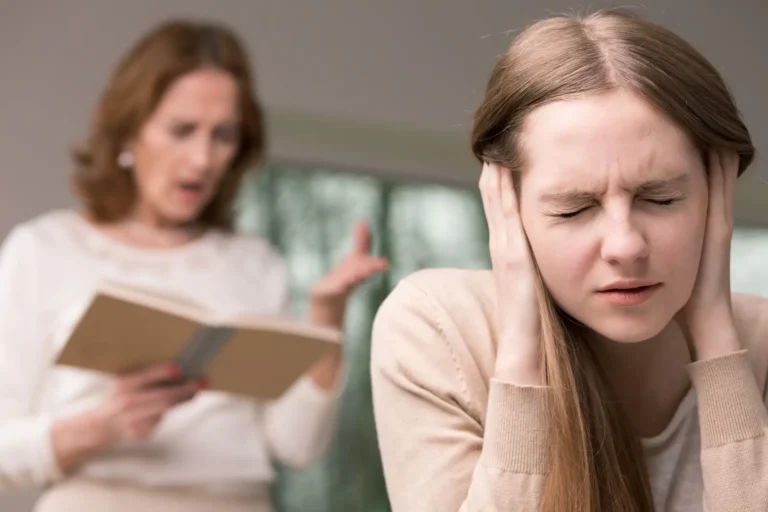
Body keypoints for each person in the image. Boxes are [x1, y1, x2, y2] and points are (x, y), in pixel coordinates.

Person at [370, 8, 766, 512]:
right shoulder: (439, 329)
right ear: (507, 207)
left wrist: (718, 341)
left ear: (717, 194)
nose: (624, 246)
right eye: (574, 208)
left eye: (661, 199)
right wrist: (520, 354)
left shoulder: (759, 343)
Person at [0, 19, 388, 512]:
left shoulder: (254, 263)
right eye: (182, 130)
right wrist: (98, 426)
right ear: (127, 132)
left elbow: (299, 447)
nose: (203, 159)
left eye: (223, 135)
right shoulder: (43, 250)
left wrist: (326, 321)